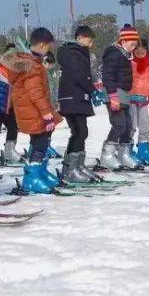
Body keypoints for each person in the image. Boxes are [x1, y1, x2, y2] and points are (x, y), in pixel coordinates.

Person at [5, 28, 61, 193]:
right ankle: (32, 179)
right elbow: (35, 93)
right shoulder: (33, 66)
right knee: (40, 143)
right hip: (35, 112)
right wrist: (46, 113)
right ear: (42, 45)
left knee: (39, 142)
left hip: (31, 111)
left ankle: (39, 173)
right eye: (48, 47)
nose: (49, 50)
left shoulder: (29, 62)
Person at [57, 25, 96, 182]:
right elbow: (78, 76)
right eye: (89, 40)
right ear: (80, 38)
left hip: (76, 97)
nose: (91, 44)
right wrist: (91, 88)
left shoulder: (79, 53)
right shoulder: (74, 53)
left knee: (80, 132)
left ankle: (77, 166)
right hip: (73, 97)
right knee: (80, 132)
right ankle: (70, 169)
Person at [99, 26, 140, 170]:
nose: (133, 48)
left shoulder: (124, 54)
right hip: (114, 94)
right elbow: (108, 76)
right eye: (132, 44)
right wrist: (113, 97)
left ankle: (124, 155)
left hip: (124, 95)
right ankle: (107, 156)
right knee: (119, 124)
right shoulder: (113, 54)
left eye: (135, 45)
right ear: (123, 40)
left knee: (127, 126)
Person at [128, 37, 149, 165]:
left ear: (147, 50)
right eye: (138, 53)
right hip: (130, 101)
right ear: (134, 51)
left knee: (145, 127)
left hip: (143, 101)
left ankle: (144, 150)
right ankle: (126, 150)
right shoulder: (130, 63)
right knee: (131, 126)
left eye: (143, 53)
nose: (140, 55)